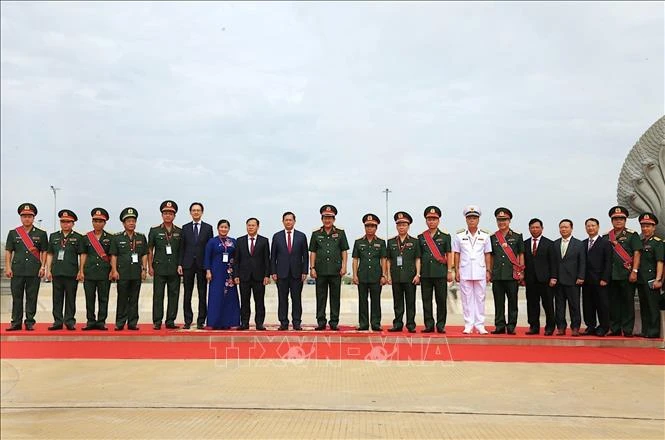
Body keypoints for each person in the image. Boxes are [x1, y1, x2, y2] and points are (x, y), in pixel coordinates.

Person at [4, 203, 48, 331]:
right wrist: (8, 267)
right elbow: (8, 251)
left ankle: (29, 322)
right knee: (17, 297)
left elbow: (44, 251)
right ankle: (16, 322)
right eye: (24, 216)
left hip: (34, 270)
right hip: (17, 270)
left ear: (34, 218)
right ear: (20, 217)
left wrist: (43, 267)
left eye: (29, 216)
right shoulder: (13, 233)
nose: (27, 218)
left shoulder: (41, 234)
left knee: (31, 297)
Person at [603, 206, 643, 337]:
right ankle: (614, 328)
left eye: (621, 218)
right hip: (611, 275)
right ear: (611, 220)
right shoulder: (606, 237)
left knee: (627, 303)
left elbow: (637, 254)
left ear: (625, 220)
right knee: (613, 304)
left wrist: (635, 271)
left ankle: (627, 329)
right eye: (615, 219)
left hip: (627, 274)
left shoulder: (632, 235)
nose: (618, 221)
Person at [452, 205, 492, 334]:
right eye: (469, 218)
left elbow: (487, 254)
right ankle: (468, 324)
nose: (472, 220)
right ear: (466, 219)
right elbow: (457, 253)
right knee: (466, 298)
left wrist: (488, 271)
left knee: (480, 298)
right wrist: (456, 270)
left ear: (478, 219)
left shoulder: (485, 235)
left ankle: (480, 325)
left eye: (474, 218)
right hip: (465, 270)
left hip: (480, 270)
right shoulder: (459, 235)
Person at [309, 205, 349, 331]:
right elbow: (313, 252)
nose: (327, 220)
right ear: (322, 219)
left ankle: (334, 322)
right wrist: (312, 268)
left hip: (335, 270)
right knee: (320, 297)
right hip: (320, 271)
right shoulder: (316, 234)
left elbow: (344, 251)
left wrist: (344, 266)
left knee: (335, 297)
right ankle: (321, 321)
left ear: (334, 219)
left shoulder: (340, 233)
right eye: (325, 218)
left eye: (330, 218)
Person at [110, 207, 148, 331]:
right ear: (123, 223)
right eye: (129, 221)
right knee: (122, 298)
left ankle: (132, 323)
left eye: (133, 221)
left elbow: (144, 254)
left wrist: (144, 269)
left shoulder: (141, 237)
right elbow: (114, 255)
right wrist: (114, 270)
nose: (131, 223)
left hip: (136, 273)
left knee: (134, 299)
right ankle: (120, 323)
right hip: (123, 273)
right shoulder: (117, 238)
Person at [46, 210, 84, 331]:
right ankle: (57, 321)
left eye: (68, 222)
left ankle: (69, 321)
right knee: (57, 298)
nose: (65, 224)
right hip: (57, 272)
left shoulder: (78, 237)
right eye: (63, 222)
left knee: (70, 298)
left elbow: (82, 255)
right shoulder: (54, 236)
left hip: (71, 272)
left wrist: (81, 270)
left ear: (73, 223)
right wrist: (48, 270)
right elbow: (50, 254)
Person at [178, 202, 214, 329]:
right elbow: (182, 248)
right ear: (190, 212)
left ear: (202, 212)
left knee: (202, 293)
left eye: (198, 210)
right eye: (193, 210)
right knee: (187, 293)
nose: (196, 212)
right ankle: (188, 320)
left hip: (202, 265)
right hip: (188, 264)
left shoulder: (208, 228)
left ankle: (201, 320)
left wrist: (209, 266)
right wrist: (180, 264)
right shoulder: (185, 228)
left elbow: (210, 249)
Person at [417, 206, 453, 334]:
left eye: (434, 219)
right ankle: (429, 325)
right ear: (426, 221)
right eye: (429, 219)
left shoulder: (445, 236)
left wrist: (449, 271)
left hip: (440, 273)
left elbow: (449, 254)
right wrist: (418, 273)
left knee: (441, 300)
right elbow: (419, 257)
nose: (431, 221)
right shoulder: (421, 237)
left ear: (438, 220)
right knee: (426, 301)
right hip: (426, 273)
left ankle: (441, 325)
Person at [271, 211, 309, 331]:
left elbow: (305, 255)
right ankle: (283, 322)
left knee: (296, 298)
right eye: (286, 220)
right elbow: (273, 256)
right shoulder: (277, 236)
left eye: (290, 220)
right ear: (283, 222)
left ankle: (296, 322)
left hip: (297, 273)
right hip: (281, 273)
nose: (288, 222)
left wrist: (304, 271)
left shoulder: (301, 236)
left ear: (294, 221)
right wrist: (273, 272)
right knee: (282, 299)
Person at [489, 207, 524, 335]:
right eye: (499, 220)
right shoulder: (493, 237)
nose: (501, 222)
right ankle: (499, 325)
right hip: (497, 275)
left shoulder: (517, 236)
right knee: (498, 302)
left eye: (504, 220)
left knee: (512, 302)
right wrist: (490, 271)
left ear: (509, 221)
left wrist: (521, 271)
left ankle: (511, 326)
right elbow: (491, 256)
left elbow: (520, 254)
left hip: (512, 274)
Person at [148, 200, 183, 330]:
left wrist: (181, 265)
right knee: (158, 296)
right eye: (165, 213)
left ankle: (170, 320)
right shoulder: (155, 230)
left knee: (174, 295)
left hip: (174, 268)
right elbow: (150, 249)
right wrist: (150, 266)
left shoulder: (179, 231)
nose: (168, 215)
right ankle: (157, 321)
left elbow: (181, 251)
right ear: (162, 215)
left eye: (170, 213)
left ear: (174, 216)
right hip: (159, 267)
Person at [386, 211, 421, 333]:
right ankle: (398, 324)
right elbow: (388, 260)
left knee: (410, 302)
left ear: (408, 226)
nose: (401, 227)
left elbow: (417, 259)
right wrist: (388, 275)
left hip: (410, 276)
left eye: (404, 225)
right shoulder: (391, 242)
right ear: (396, 226)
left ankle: (411, 325)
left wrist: (418, 274)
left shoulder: (415, 241)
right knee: (397, 302)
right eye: (399, 225)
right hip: (396, 276)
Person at [79, 208, 113, 331]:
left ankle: (101, 321)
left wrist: (112, 271)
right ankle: (90, 321)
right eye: (95, 221)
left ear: (104, 223)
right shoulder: (86, 238)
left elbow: (112, 256)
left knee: (103, 298)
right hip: (90, 272)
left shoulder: (110, 238)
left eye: (100, 221)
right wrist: (81, 270)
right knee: (90, 298)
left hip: (104, 272)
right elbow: (83, 254)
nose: (97, 223)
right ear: (92, 222)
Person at [352, 214, 388, 331]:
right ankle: (363, 324)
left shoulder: (381, 242)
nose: (370, 228)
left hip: (376, 276)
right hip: (362, 275)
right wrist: (355, 275)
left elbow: (383, 259)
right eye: (367, 226)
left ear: (376, 228)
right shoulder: (358, 242)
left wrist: (384, 275)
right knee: (362, 301)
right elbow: (355, 260)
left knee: (376, 301)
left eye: (372, 226)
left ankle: (376, 323)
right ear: (364, 227)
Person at [233, 218, 270, 330]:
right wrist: (236, 275)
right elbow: (236, 260)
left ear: (258, 227)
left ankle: (259, 323)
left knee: (259, 301)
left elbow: (266, 260)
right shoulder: (240, 241)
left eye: (253, 225)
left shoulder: (264, 241)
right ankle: (244, 323)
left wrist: (266, 275)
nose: (251, 227)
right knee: (244, 301)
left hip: (259, 276)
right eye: (249, 225)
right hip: (244, 276)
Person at [550, 219, 585, 336]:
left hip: (573, 280)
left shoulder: (579, 244)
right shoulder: (554, 244)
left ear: (571, 228)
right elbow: (553, 263)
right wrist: (553, 277)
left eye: (566, 227)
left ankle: (575, 327)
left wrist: (581, 276)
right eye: (561, 227)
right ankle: (560, 327)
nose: (563, 229)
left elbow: (582, 262)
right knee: (559, 306)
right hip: (558, 281)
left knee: (574, 306)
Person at [204, 219, 240, 330]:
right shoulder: (212, 242)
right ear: (218, 228)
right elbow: (207, 257)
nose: (223, 229)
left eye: (225, 227)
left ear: (228, 229)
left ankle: (231, 321)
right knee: (216, 296)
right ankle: (214, 322)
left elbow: (237, 258)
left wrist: (236, 274)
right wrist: (208, 271)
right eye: (221, 227)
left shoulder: (233, 241)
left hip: (229, 274)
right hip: (216, 273)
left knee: (231, 297)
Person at [523, 218, 556, 335]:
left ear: (542, 228)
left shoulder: (550, 243)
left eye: (537, 227)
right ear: (529, 229)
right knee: (532, 304)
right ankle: (533, 326)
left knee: (548, 304)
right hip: (530, 279)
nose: (535, 229)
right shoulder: (525, 243)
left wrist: (553, 277)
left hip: (546, 280)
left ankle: (550, 327)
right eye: (532, 227)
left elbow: (553, 262)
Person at [581, 218, 612, 336]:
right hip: (586, 280)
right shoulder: (583, 243)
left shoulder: (605, 243)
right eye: (588, 226)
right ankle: (590, 326)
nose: (590, 228)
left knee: (602, 304)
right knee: (588, 304)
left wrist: (605, 278)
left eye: (593, 225)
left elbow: (608, 262)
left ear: (598, 227)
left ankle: (604, 327)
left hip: (600, 280)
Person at [636, 213, 663, 338]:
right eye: (643, 226)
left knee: (652, 306)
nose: (645, 229)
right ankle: (645, 330)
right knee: (644, 305)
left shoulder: (658, 243)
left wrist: (659, 279)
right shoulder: (640, 242)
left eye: (648, 226)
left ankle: (654, 331)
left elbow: (660, 262)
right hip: (641, 279)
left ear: (654, 228)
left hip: (652, 279)